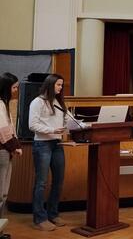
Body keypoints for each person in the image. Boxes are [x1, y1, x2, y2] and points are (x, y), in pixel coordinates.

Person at [28, 74, 67, 231]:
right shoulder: (37, 102)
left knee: (58, 181)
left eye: (61, 85)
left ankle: (53, 214)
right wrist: (52, 130)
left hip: (57, 144)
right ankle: (39, 218)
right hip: (42, 144)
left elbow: (66, 120)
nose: (60, 88)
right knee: (41, 183)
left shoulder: (58, 102)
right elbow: (32, 125)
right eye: (58, 85)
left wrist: (77, 125)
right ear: (50, 85)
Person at [0, 73, 22, 239]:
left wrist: (15, 145)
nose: (16, 90)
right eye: (14, 87)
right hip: (2, 151)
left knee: (3, 193)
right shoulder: (0, 104)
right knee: (0, 193)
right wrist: (15, 147)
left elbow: (10, 127)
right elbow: (3, 130)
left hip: (5, 151)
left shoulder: (4, 103)